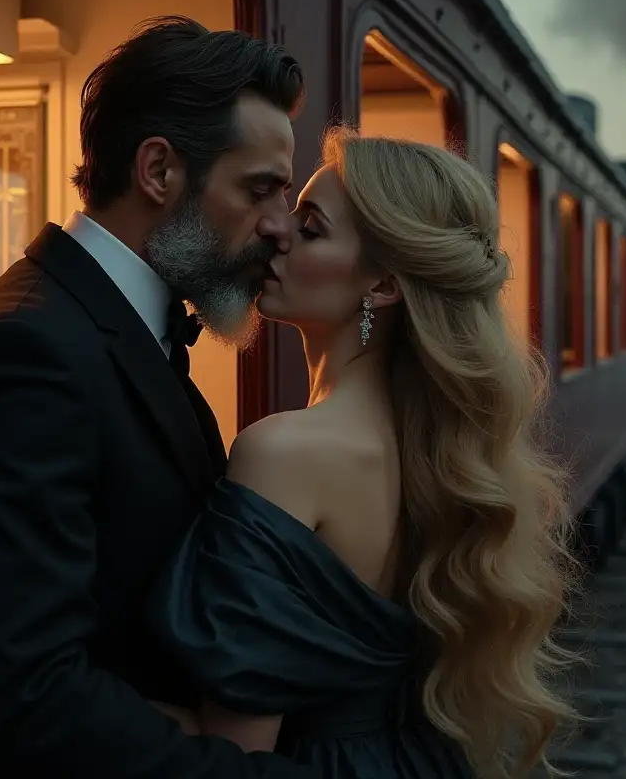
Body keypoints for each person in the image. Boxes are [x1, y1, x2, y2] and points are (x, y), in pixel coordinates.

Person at [0, 15, 314, 779]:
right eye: (262, 189)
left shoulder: (98, 324)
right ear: (160, 171)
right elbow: (23, 692)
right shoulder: (31, 351)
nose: (281, 226)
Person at [144, 128, 579, 779]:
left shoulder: (286, 452)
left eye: (311, 226)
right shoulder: (443, 454)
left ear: (381, 287)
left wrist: (61, 697)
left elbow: (231, 754)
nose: (276, 232)